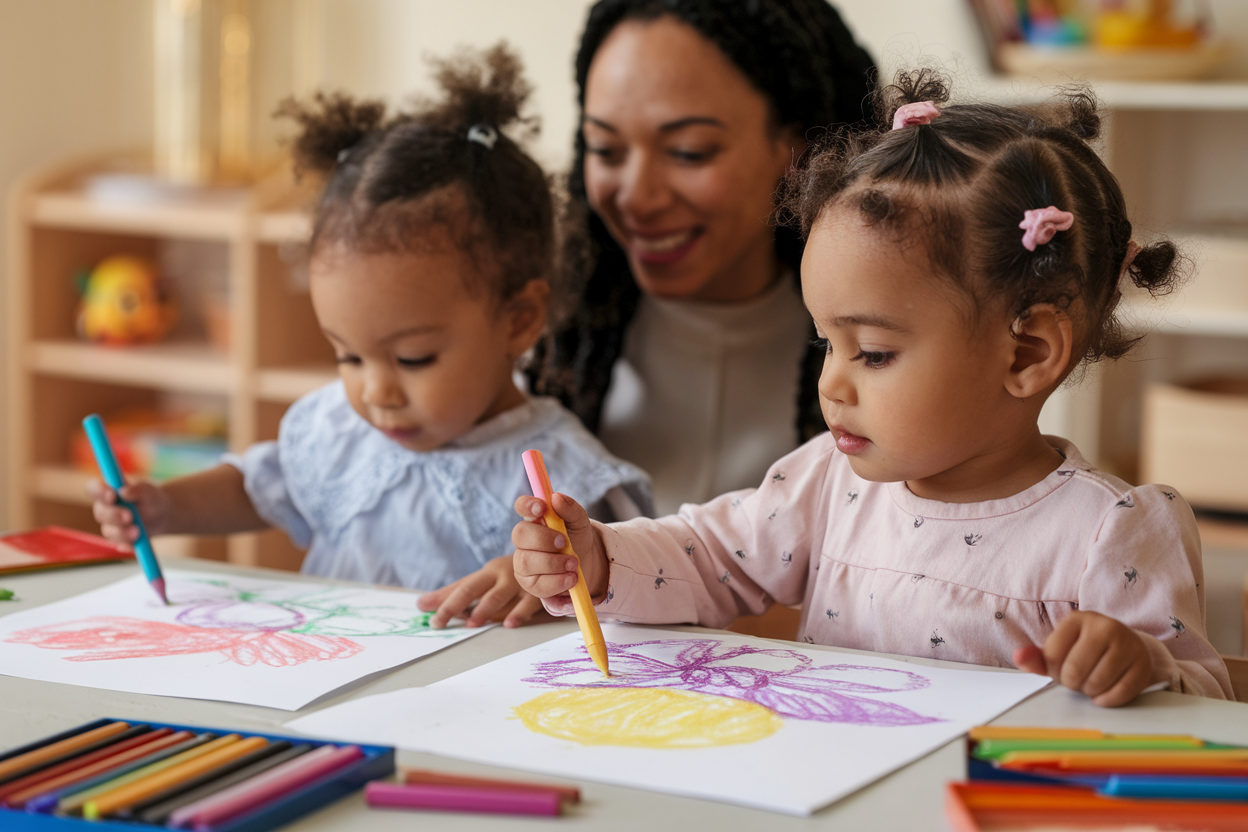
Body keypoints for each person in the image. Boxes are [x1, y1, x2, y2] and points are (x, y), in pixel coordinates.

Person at [511, 71, 1233, 705]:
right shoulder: (828, 484)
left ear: (1027, 352)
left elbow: (1207, 697)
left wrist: (1143, 666)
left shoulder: (1110, 533)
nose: (833, 383)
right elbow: (709, 557)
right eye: (828, 343)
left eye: (876, 353)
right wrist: (601, 558)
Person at [87, 45, 651, 629]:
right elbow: (258, 488)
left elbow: (629, 573)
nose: (376, 391)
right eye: (347, 355)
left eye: (413, 357)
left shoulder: (562, 472)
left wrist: (543, 574)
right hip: (328, 691)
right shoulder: (338, 429)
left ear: (518, 318)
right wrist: (163, 505)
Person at [527, 0, 877, 515]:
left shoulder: (889, 351)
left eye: (689, 151)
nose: (637, 197)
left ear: (798, 147)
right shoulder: (530, 342)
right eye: (605, 148)